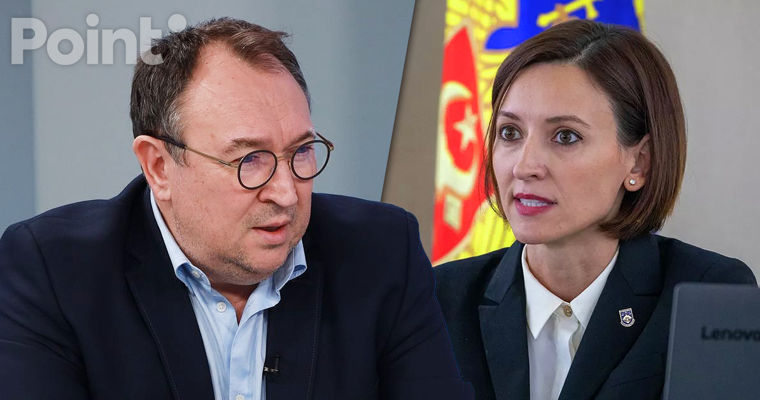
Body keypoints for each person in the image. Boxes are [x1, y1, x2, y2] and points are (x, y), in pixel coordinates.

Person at [0, 18, 472, 400]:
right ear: (159, 166)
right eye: (250, 160)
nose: (286, 193)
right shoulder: (54, 271)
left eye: (301, 151)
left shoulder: (381, 253)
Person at [434, 19, 756, 400]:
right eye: (510, 133)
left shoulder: (708, 293)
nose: (524, 166)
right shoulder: (438, 298)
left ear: (639, 164)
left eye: (565, 136)